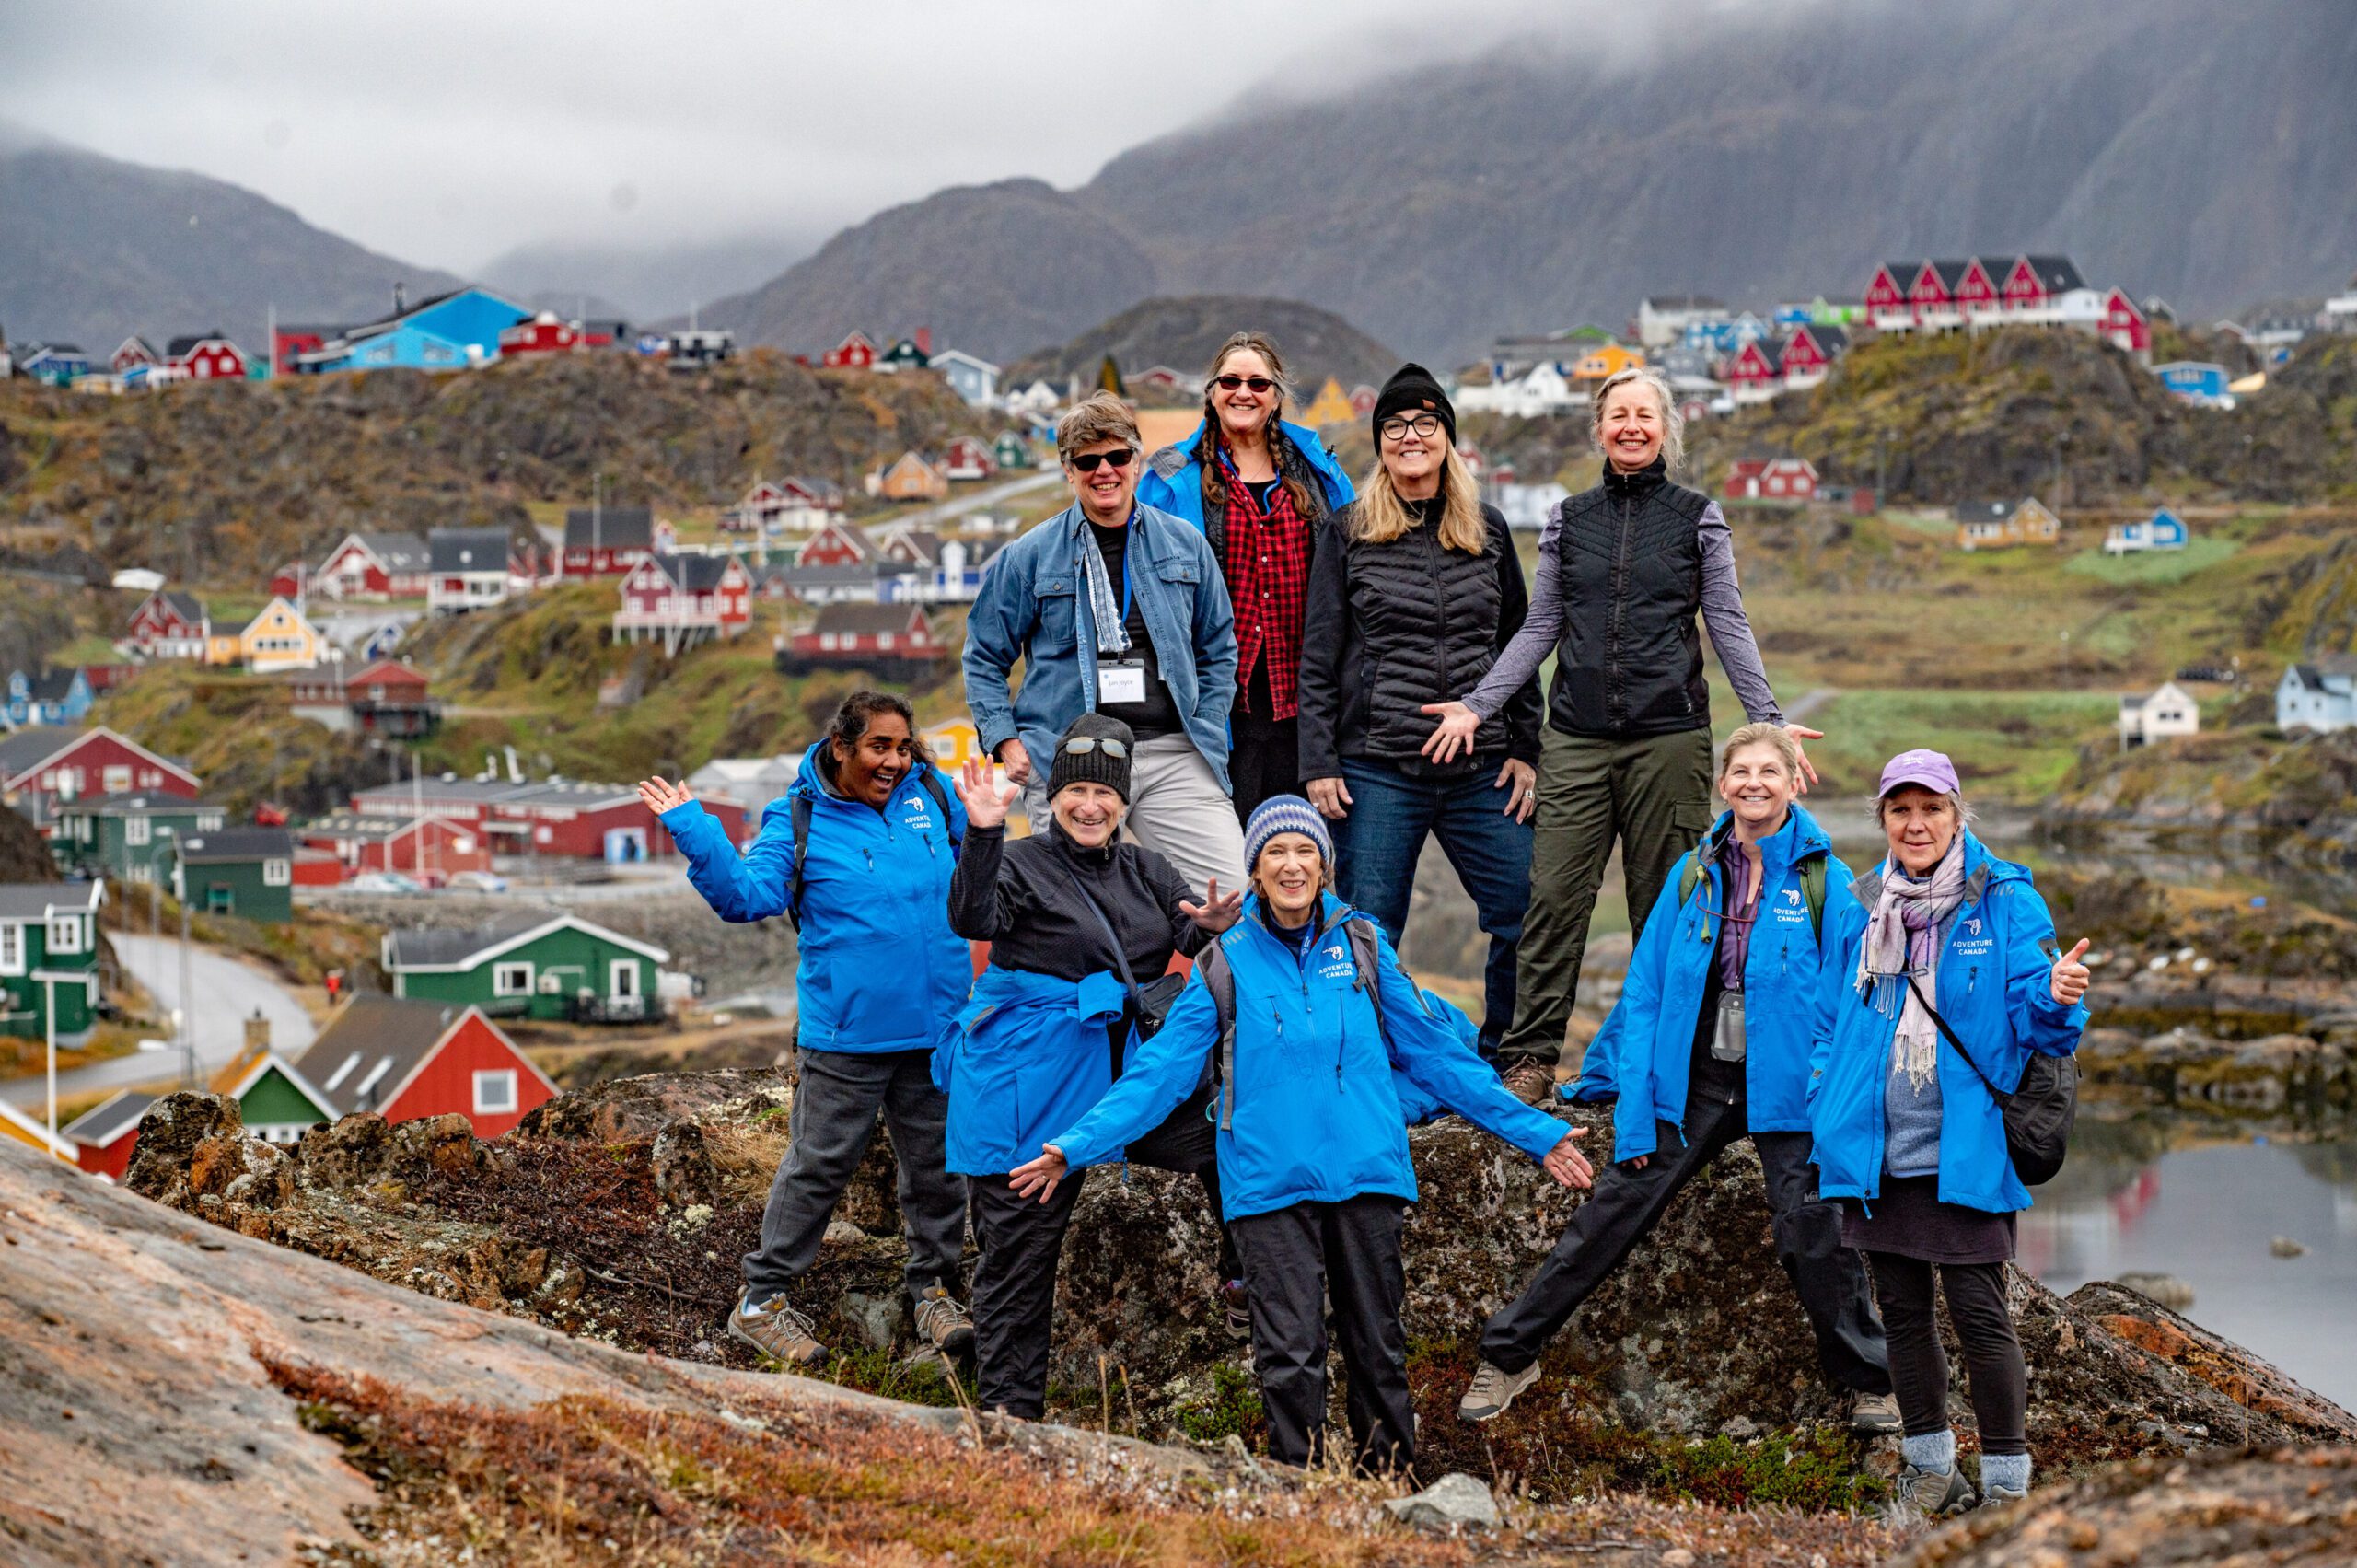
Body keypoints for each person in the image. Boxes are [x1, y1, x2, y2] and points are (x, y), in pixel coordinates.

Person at [1008, 796, 1594, 1472]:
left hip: (1366, 1172)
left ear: (1325, 865)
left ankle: (1389, 1485)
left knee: (1378, 1345)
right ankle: (1299, 1490)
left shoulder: (1366, 944)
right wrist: (1074, 1145)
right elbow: (1157, 1075)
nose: (1292, 865)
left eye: (1305, 851)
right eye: (1275, 853)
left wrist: (1537, 1132)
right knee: (1288, 1356)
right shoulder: (1223, 963)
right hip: (1268, 1182)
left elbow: (1441, 1057)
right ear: (1255, 871)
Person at [1456, 725, 1898, 1435]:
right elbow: (1646, 993)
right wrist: (1629, 1107)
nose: (1754, 784)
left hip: (1789, 1090)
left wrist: (1826, 1093)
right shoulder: (1691, 874)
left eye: (1769, 772)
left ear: (1792, 783)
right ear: (1722, 785)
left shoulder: (1829, 885)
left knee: (1814, 1228)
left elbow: (1850, 999)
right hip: (1698, 1078)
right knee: (1613, 1209)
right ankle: (1511, 1353)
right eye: (1741, 772)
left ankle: (1872, 1383)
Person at [1422, 365, 1822, 1104]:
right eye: (1618, 415)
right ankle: (1533, 1058)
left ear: (1666, 427)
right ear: (1599, 429)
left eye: (1646, 414)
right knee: (1553, 898)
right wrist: (1478, 707)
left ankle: (1676, 1059)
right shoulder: (1569, 519)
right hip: (1574, 738)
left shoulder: (1697, 517)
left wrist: (1765, 717)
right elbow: (1541, 625)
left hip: (1669, 739)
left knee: (1670, 905)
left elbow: (1726, 622)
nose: (1632, 426)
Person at [637, 691, 975, 1369]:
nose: (894, 759)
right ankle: (760, 1302)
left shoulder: (932, 796)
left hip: (937, 1028)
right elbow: (747, 898)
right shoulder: (800, 815)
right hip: (846, 1037)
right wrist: (693, 827)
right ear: (842, 745)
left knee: (939, 1168)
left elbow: (984, 871)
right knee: (818, 1167)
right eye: (879, 746)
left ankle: (933, 1290)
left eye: (903, 746)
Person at [1808, 749, 2091, 1516]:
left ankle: (2005, 1488)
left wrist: (2059, 994)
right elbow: (1836, 1019)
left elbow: (2037, 1014)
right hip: (1876, 1146)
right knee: (1900, 1313)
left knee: (1979, 1316)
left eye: (1931, 807)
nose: (1917, 822)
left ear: (1957, 812)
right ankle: (1929, 1465)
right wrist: (1822, 1092)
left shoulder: (2004, 898)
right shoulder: (1864, 903)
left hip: (1963, 1147)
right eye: (1901, 810)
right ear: (1885, 821)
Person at [940, 713, 1248, 1420]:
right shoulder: (1018, 862)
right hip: (1031, 1086)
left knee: (1232, 1134)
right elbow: (974, 917)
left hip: (1124, 1083)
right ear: (1052, 796)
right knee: (1016, 1267)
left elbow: (1183, 927)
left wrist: (1209, 924)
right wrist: (985, 830)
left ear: (1124, 800)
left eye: (1105, 793)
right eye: (1075, 789)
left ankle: (1242, 1283)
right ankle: (1008, 1428)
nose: (1089, 805)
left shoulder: (1144, 866)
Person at [1297, 363, 1540, 1059]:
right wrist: (1318, 761)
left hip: (1482, 767)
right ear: (1380, 443)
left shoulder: (1487, 530)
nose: (1411, 436)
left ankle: (1511, 1057)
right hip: (1379, 769)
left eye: (1425, 423)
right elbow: (1318, 654)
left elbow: (1521, 643)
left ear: (1448, 438)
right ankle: (1371, 1066)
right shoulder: (1347, 532)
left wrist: (1527, 747)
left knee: (1526, 910)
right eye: (1396, 425)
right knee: (1367, 931)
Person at [965, 391, 1248, 901]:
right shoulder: (1028, 556)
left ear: (1137, 462)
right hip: (1069, 760)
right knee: (1076, 921)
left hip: (1172, 753)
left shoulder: (1186, 543)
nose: (1105, 471)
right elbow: (983, 656)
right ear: (1068, 472)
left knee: (1229, 898)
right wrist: (1005, 740)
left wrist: (1205, 727)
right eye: (1088, 461)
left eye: (1117, 456)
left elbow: (1218, 647)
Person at [1138, 331, 1354, 819]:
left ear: (1277, 396)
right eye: (1230, 380)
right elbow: (1141, 586)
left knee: (1295, 848)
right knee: (1224, 855)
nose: (1243, 392)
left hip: (1304, 701)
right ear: (1212, 392)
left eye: (1258, 383)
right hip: (1213, 702)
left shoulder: (1320, 474)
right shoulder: (1171, 480)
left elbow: (1354, 570)